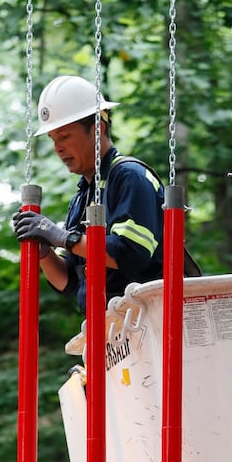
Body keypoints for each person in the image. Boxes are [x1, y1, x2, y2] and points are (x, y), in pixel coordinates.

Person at [12, 74, 164, 329]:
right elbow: (68, 281)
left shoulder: (129, 177)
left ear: (97, 129)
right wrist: (44, 248)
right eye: (53, 139)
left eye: (64, 136)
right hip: (110, 328)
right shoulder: (83, 196)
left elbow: (130, 255)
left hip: (149, 324)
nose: (57, 148)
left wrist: (60, 235)